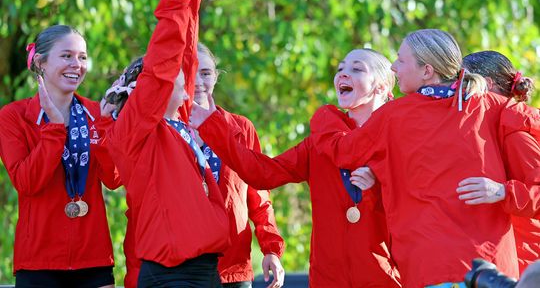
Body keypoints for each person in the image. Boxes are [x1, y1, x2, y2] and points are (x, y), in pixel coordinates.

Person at [301, 29, 540, 288]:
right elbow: (346, 154)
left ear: (427, 71)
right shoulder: (394, 116)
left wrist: (502, 192)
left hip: (483, 272)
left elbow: (342, 150)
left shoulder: (491, 108)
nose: (393, 67)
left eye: (401, 60)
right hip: (432, 271)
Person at [190, 48, 402, 287]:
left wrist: (381, 178)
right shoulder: (319, 143)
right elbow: (261, 174)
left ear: (382, 87)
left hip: (384, 278)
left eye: (357, 69)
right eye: (341, 68)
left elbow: (418, 208)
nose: (343, 74)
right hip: (327, 280)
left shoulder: (399, 140)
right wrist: (213, 128)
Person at [102, 0, 229, 288]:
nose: (187, 83)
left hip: (203, 269)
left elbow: (185, 51)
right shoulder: (137, 131)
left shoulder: (179, 122)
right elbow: (161, 64)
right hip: (172, 274)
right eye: (174, 78)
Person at [0, 25, 120, 287]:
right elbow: (26, 182)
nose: (76, 64)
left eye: (82, 57)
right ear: (41, 62)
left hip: (94, 257)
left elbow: (113, 178)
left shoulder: (95, 112)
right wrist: (54, 129)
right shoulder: (14, 116)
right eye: (66, 56)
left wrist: (106, 127)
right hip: (38, 261)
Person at [193, 43, 285, 288]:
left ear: (216, 76)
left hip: (233, 267)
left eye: (206, 73)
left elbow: (259, 198)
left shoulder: (241, 128)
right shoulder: (166, 128)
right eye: (190, 71)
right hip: (182, 267)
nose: (198, 81)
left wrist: (271, 249)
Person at [460, 50, 540, 274]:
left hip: (526, 263)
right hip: (500, 258)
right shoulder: (491, 126)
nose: (455, 92)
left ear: (485, 84)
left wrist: (502, 192)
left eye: (463, 82)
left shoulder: (515, 132)